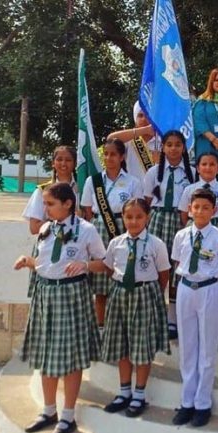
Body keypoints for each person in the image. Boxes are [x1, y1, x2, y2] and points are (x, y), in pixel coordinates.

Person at [14, 183, 105, 433]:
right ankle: (49, 411)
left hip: (71, 296)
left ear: (68, 203)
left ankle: (67, 415)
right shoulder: (45, 229)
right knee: (46, 355)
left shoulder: (86, 230)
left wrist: (85, 264)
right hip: (46, 296)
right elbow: (44, 264)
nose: (45, 209)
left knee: (70, 357)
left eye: (50, 204)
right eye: (45, 204)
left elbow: (105, 263)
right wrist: (27, 262)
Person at [100, 198, 171, 417]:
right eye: (129, 217)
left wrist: (147, 292)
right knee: (122, 346)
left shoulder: (155, 244)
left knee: (141, 347)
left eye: (139, 216)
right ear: (123, 217)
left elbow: (164, 274)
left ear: (147, 217)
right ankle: (123, 392)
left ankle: (139, 395)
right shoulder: (116, 243)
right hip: (120, 295)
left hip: (144, 295)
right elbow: (110, 268)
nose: (133, 221)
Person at [171, 189, 218, 427]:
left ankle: (203, 403)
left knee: (207, 347)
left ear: (214, 211)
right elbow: (179, 262)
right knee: (187, 346)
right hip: (186, 287)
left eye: (205, 207)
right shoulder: (181, 235)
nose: (200, 212)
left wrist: (217, 289)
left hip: (209, 289)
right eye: (196, 207)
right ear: (189, 208)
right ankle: (187, 401)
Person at [81, 138, 143, 328]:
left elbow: (138, 209)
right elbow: (87, 210)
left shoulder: (133, 181)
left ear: (122, 156)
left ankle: (120, 325)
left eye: (113, 154)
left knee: (122, 274)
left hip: (125, 227)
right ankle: (100, 325)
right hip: (99, 229)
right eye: (105, 154)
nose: (109, 158)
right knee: (100, 282)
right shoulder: (94, 181)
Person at [144, 130, 196, 340]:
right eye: (169, 144)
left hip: (180, 222)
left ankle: (173, 320)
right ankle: (154, 317)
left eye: (177, 144)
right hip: (157, 220)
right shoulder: (153, 172)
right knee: (155, 268)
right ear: (163, 148)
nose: (173, 148)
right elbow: (146, 202)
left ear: (184, 148)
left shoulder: (192, 173)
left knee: (176, 270)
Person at [22, 146, 78, 296]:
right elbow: (34, 227)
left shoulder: (83, 187)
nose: (63, 163)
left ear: (75, 163)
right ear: (53, 163)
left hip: (75, 246)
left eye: (68, 160)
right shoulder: (42, 190)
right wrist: (61, 219)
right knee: (43, 293)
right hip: (48, 245)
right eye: (59, 159)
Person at [178, 152, 218, 233]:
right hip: (194, 226)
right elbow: (184, 213)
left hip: (217, 227)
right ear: (198, 169)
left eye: (212, 164)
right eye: (204, 164)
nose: (208, 167)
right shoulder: (189, 189)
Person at [107, 101, 162, 182]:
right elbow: (110, 139)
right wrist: (145, 130)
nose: (144, 119)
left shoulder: (163, 141)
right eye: (140, 116)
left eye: (147, 115)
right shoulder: (129, 140)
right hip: (134, 192)